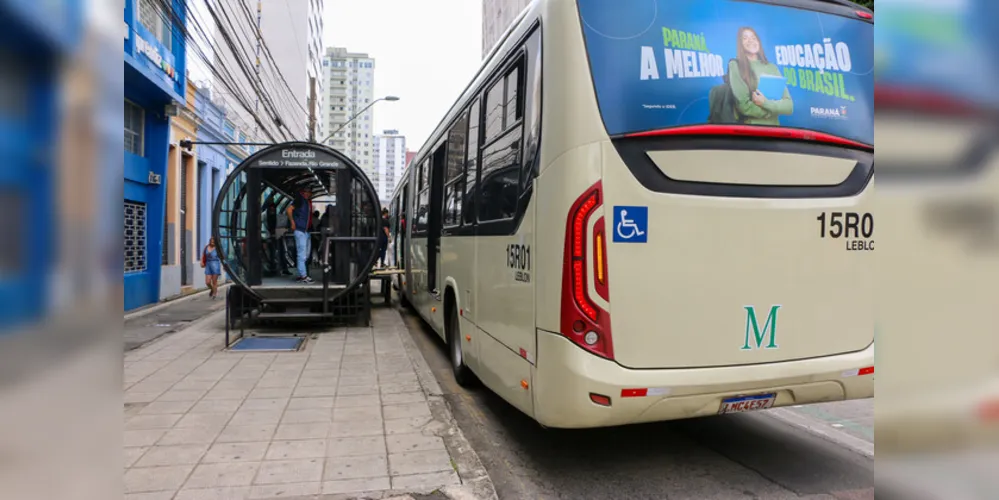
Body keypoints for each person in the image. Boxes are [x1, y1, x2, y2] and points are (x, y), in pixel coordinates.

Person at [728, 26, 793, 126]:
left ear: (759, 41)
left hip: (775, 131)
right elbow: (744, 106)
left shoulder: (772, 67)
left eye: (754, 38)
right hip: (751, 131)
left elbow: (789, 106)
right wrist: (770, 112)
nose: (750, 41)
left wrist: (764, 103)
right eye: (745, 38)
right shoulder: (735, 65)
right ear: (740, 43)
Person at [286, 187, 315, 283]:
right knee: (302, 254)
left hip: (306, 231)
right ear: (302, 192)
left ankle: (300, 274)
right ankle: (303, 276)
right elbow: (289, 209)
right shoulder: (299, 200)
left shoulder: (307, 202)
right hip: (300, 230)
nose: (307, 194)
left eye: (309, 192)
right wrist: (292, 222)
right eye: (306, 192)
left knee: (305, 254)